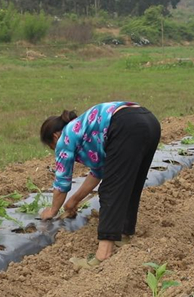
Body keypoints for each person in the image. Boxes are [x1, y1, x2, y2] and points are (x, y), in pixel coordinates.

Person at [39, 102, 160, 269]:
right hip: (149, 121)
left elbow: (62, 181)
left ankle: (103, 254)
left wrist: (52, 210)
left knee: (110, 189)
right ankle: (123, 235)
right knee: (130, 183)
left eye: (52, 147)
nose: (55, 150)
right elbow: (98, 172)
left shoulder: (65, 137)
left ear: (54, 136)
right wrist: (74, 200)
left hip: (125, 124)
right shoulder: (84, 130)